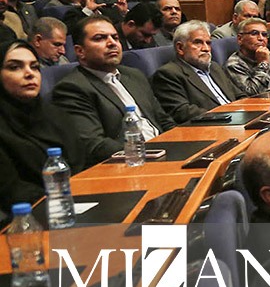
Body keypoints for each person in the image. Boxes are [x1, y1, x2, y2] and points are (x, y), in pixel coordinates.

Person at [52, 16, 171, 164]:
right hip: (130, 163)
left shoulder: (134, 75)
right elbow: (95, 145)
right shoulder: (72, 88)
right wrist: (145, 154)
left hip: (163, 152)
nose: (112, 43)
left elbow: (164, 120)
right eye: (100, 38)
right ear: (80, 51)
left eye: (115, 37)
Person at [0, 41, 85, 214]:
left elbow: (82, 165)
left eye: (35, 67)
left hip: (81, 202)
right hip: (28, 215)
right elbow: (11, 190)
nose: (29, 74)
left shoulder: (56, 114)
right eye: (15, 67)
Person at [151, 21, 241, 125]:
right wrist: (227, 116)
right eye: (198, 43)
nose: (206, 49)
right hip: (212, 125)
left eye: (208, 43)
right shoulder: (168, 74)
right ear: (180, 48)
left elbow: (239, 95)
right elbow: (182, 111)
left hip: (237, 120)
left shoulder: (214, 67)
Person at [225, 16, 270, 97]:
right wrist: (263, 64)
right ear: (240, 39)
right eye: (254, 33)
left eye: (264, 34)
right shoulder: (233, 65)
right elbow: (252, 93)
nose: (261, 38)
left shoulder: (267, 55)